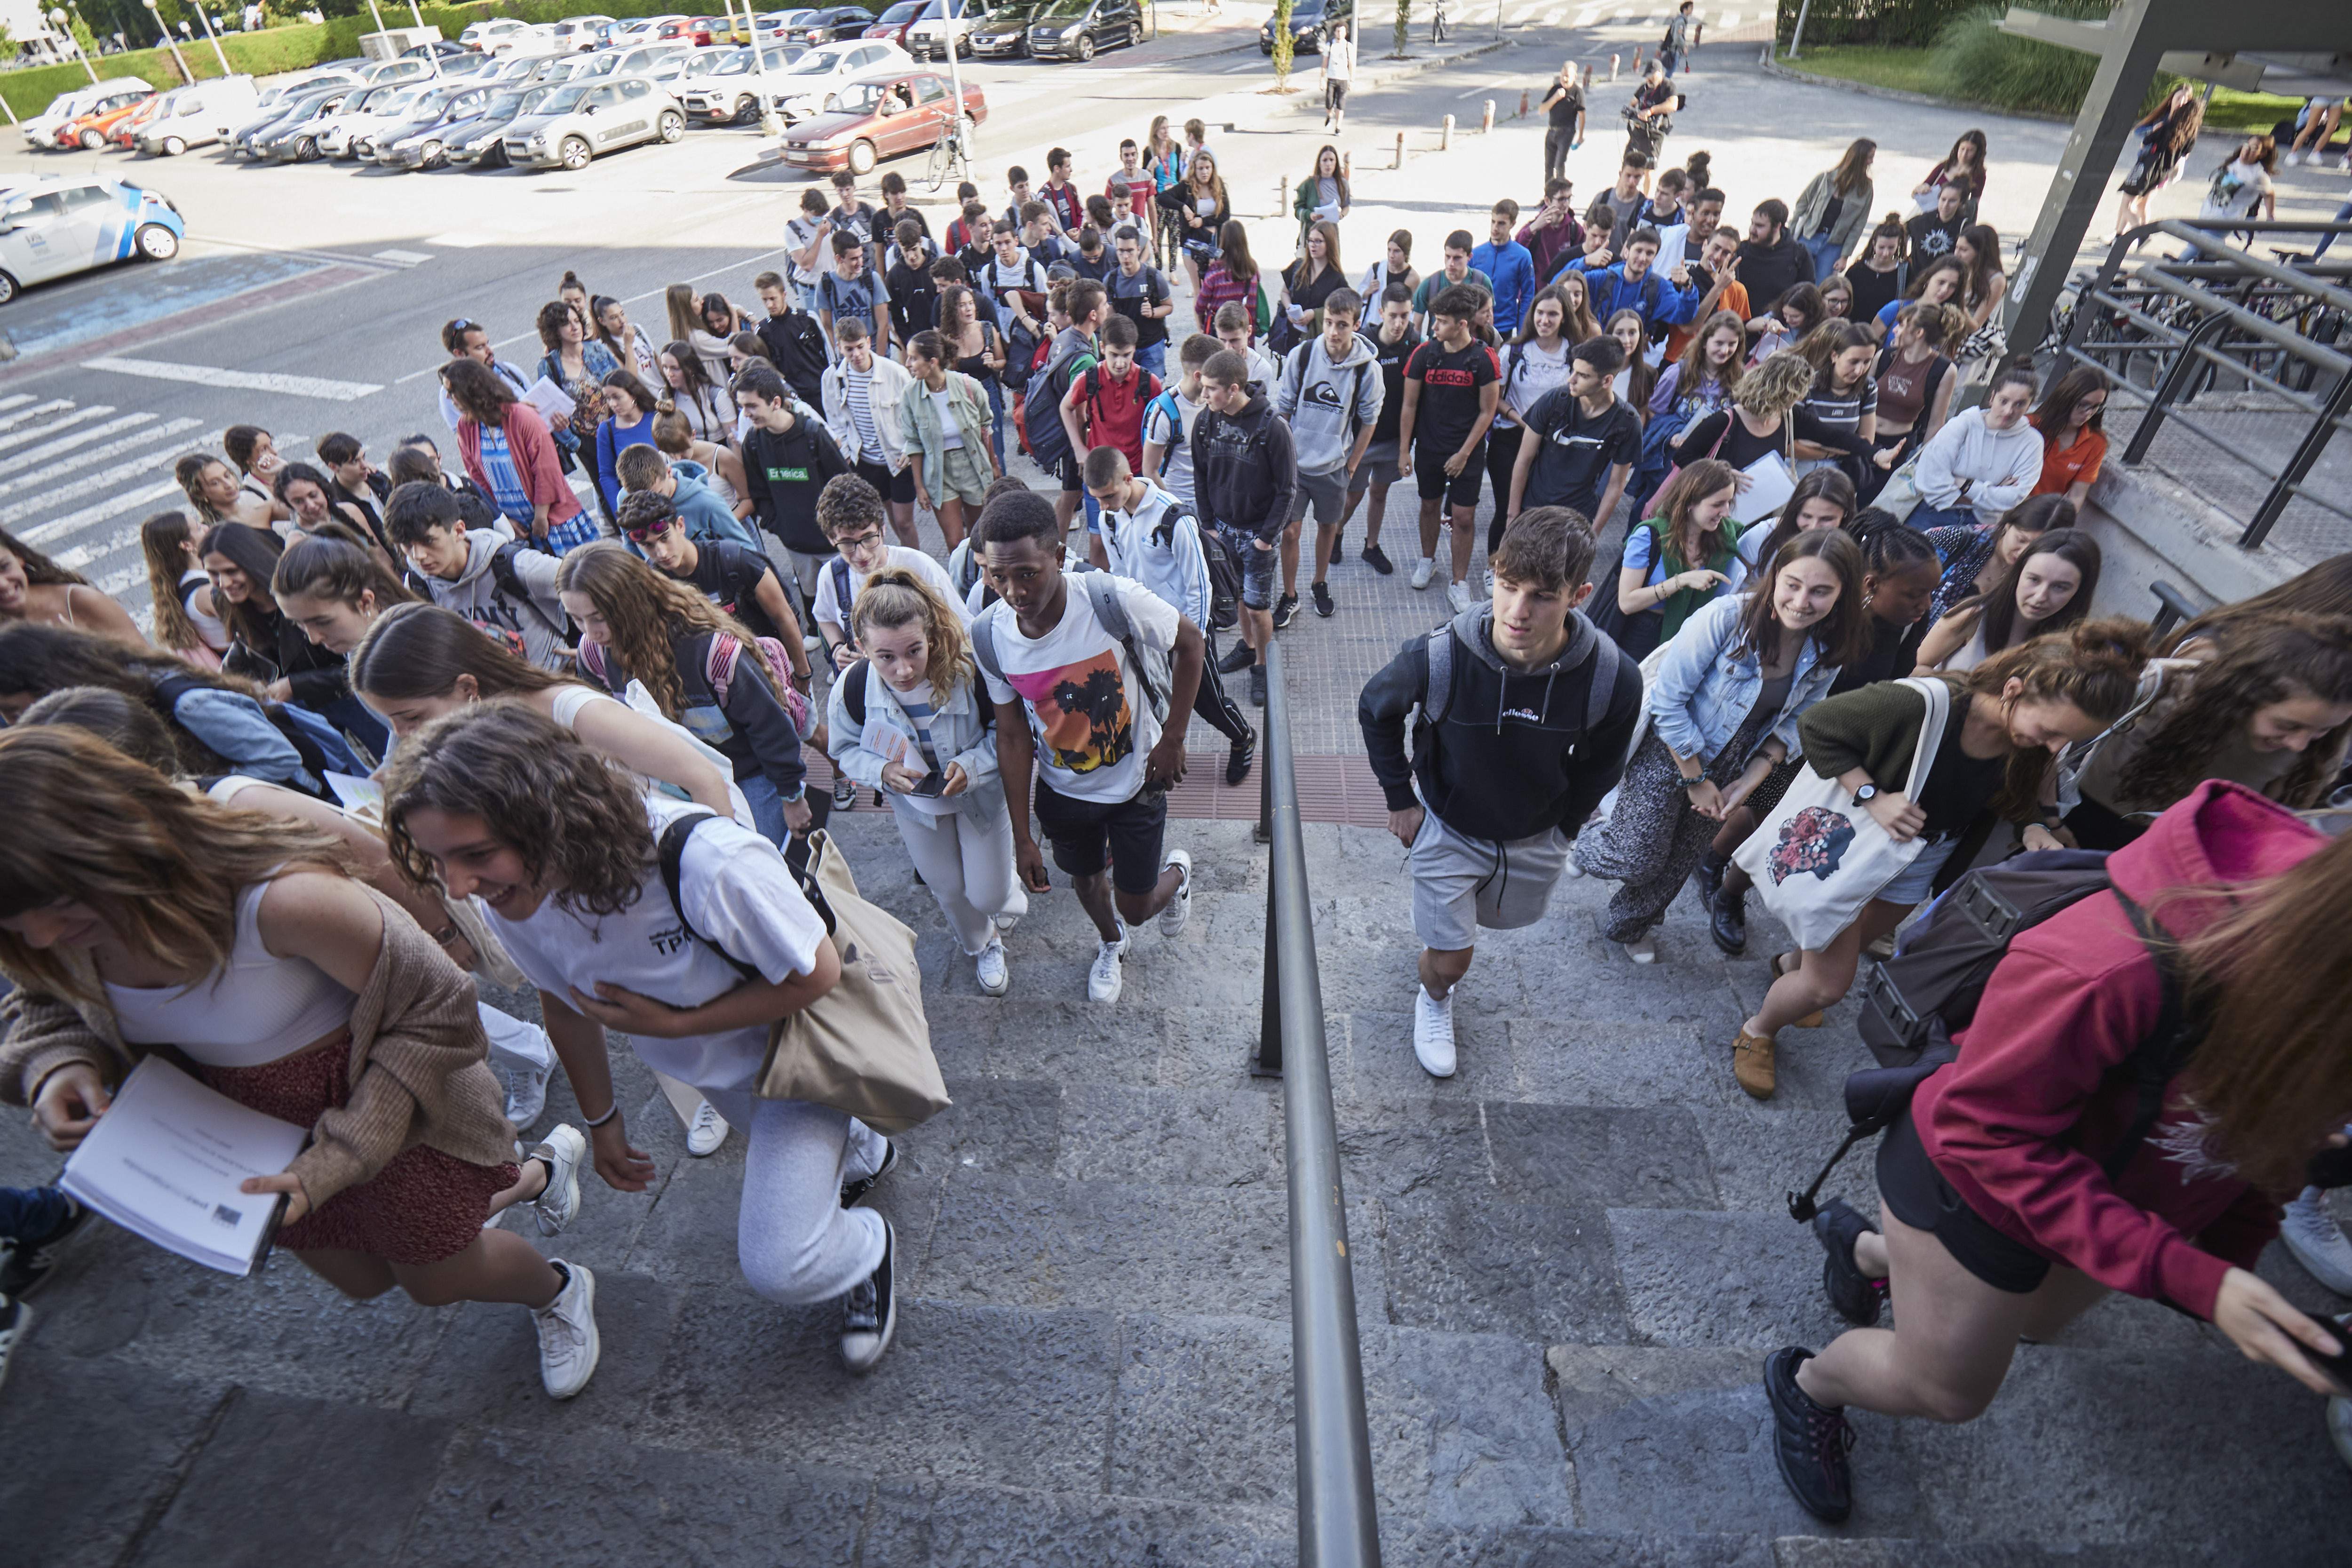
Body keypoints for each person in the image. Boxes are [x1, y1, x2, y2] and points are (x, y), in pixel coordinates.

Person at [1766, 781, 2352, 1524]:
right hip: (1981, 1187)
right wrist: (2190, 1275)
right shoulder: (2120, 961)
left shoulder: (2325, 993)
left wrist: (2228, 1258)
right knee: (1947, 1389)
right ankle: (1810, 1382)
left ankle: (1878, 1255)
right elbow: (1986, 1131)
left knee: (2033, 1323)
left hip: (2106, 1205)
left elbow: (2275, 1138)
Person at [0, 726, 601, 1400]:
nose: (44, 937)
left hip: (385, 1116)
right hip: (252, 1141)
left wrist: (338, 1159)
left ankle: (557, 1288)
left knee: (438, 1278)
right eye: (17, 923)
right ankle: (537, 1173)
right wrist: (55, 1063)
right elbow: (45, 1002)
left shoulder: (282, 898)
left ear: (116, 838)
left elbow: (439, 1012)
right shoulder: (48, 931)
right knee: (366, 1278)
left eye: (59, 906)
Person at [381, 704, 900, 1372]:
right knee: (832, 1161)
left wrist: (673, 1024)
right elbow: (563, 1005)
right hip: (724, 1073)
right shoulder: (511, 895)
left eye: (477, 854)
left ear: (544, 812)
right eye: (437, 859)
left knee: (781, 1266)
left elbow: (818, 972)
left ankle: (866, 1248)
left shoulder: (703, 861)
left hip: (799, 1065)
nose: (459, 887)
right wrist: (602, 1120)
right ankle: (863, 1154)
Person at [1728, 618, 2149, 1098]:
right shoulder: (1922, 702)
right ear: (2013, 689)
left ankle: (1790, 967)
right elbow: (1818, 726)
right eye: (2050, 732)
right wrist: (1870, 794)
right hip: (1862, 849)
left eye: (2064, 741)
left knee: (1833, 950)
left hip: (1920, 860)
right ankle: (1757, 1030)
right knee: (1828, 987)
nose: (2053, 748)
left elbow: (2019, 797)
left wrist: (2034, 825)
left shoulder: (2026, 742)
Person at [1358, 508, 1644, 1076]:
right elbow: (1375, 708)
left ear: (1579, 594)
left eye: (1540, 596)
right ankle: (1434, 998)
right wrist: (1400, 798)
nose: (1516, 611)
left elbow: (1605, 763)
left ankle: (1445, 970)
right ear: (1493, 571)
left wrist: (1565, 828)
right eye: (1507, 586)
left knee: (1501, 922)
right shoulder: (1439, 655)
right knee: (1453, 959)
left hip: (1535, 838)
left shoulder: (1612, 678)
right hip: (1447, 827)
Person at [1579, 530, 1867, 961]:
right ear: (1775, 577)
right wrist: (1694, 777)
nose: (1802, 600)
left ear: (1842, 596)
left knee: (1680, 859)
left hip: (1739, 760)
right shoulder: (1726, 617)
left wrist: (1750, 780)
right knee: (1640, 857)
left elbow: (1795, 724)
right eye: (1793, 584)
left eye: (1821, 591)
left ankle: (1629, 925)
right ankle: (1592, 843)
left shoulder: (1827, 650)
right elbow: (1668, 700)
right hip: (1671, 746)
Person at [970, 489, 1206, 1005]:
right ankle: (1110, 942)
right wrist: (1022, 837)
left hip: (1137, 780)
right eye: (997, 576)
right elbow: (1011, 735)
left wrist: (1173, 739)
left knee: (1138, 904)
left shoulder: (1110, 599)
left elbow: (1192, 644)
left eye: (1026, 573)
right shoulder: (989, 636)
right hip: (1064, 791)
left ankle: (1179, 874)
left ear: (1057, 557)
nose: (1013, 591)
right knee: (1084, 883)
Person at [1699, 510, 1942, 954]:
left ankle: (1722, 876)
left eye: (1929, 593)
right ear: (1870, 587)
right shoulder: (1834, 624)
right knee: (1762, 818)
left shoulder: (1910, 623)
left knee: (1786, 828)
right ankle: (1722, 878)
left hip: (1847, 749)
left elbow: (1901, 681)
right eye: (1913, 594)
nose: (1924, 604)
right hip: (1798, 741)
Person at [827, 567, 1025, 995]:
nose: (903, 670)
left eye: (914, 650)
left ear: (931, 635)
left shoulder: (969, 672)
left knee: (990, 895)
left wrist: (970, 766)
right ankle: (984, 945)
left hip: (978, 797)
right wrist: (880, 772)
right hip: (917, 808)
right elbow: (842, 749)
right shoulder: (852, 688)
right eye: (886, 657)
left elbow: (1010, 735)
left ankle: (1002, 888)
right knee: (949, 889)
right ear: (862, 647)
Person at [557, 542, 814, 846]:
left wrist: (792, 797)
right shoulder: (594, 655)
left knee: (766, 861)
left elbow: (770, 727)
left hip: (746, 775)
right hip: (670, 782)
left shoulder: (712, 651)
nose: (590, 631)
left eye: (599, 617)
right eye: (577, 619)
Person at [2062, 610, 2352, 852]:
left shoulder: (2323, 749)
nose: (2300, 744)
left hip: (2177, 850)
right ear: (2248, 694)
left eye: (2321, 730)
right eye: (2287, 726)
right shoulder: (2169, 686)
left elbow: (2278, 816)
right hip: (2083, 814)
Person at [1085, 446, 1256, 784]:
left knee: (1208, 703)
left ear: (1128, 479)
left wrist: (1197, 642)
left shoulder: (1174, 518)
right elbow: (1119, 573)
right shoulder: (1109, 517)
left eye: (1108, 496)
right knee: (1154, 698)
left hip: (1186, 632)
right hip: (1144, 629)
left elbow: (1200, 586)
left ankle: (1243, 737)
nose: (1103, 506)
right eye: (1097, 499)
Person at [200, 522, 385, 755]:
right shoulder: (225, 600)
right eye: (213, 574)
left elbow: (361, 663)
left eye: (231, 571)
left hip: (349, 696)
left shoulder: (300, 591)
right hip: (307, 709)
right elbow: (245, 645)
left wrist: (296, 685)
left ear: (251, 560)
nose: (224, 583)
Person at [619, 490, 813, 689]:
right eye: (648, 545)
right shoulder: (653, 583)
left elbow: (785, 617)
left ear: (680, 525)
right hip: (721, 685)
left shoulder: (735, 560)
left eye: (665, 538)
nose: (661, 552)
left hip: (772, 668)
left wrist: (803, 675)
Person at [1193, 347, 1298, 707]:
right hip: (1222, 531)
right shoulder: (1206, 421)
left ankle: (1264, 666)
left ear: (1234, 389)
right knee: (1238, 595)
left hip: (1257, 536)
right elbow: (1202, 475)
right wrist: (1209, 526)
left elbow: (1288, 489)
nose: (1203, 396)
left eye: (1211, 389)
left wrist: (1266, 540)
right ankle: (1249, 646)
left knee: (1257, 607)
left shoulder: (1272, 426)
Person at [1272, 287, 1382, 623]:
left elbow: (1370, 421)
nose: (1334, 332)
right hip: (1296, 466)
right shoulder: (1302, 355)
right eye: (1329, 323)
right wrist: (1280, 461)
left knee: (1327, 528)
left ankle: (1319, 583)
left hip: (1334, 468)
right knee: (1289, 532)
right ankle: (1290, 596)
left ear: (1357, 325)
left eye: (1343, 325)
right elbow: (1284, 411)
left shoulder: (1367, 370)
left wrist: (1351, 466)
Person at [385, 481, 570, 673]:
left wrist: (588, 653)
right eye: (407, 545)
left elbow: (593, 579)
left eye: (428, 541)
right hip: (496, 695)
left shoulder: (519, 565)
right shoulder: (418, 585)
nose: (418, 556)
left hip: (551, 680)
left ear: (458, 531)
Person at [1398, 285, 1503, 614]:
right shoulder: (1424, 354)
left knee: (1463, 517)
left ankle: (1459, 582)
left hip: (1466, 453)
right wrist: (1405, 451)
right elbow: (1409, 405)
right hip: (1429, 448)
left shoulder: (1483, 359)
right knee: (1429, 506)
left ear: (1462, 324)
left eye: (1441, 321)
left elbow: (1488, 411)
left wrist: (1464, 454)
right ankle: (1427, 560)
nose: (1434, 327)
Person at [736, 363, 854, 621]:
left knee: (850, 598)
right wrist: (780, 526)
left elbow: (847, 487)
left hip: (834, 543)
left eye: (751, 406)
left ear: (776, 402)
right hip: (796, 544)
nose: (746, 415)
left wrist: (840, 530)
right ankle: (816, 633)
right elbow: (759, 493)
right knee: (813, 597)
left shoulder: (814, 435)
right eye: (742, 407)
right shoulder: (754, 444)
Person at [441, 359, 591, 555]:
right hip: (516, 530)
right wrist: (504, 520)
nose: (448, 397)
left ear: (473, 390)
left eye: (453, 392)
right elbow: (477, 477)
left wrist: (540, 517)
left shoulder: (522, 417)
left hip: (553, 521)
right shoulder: (466, 427)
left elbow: (546, 470)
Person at [1509, 333, 1640, 542]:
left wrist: (1593, 534)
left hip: (1577, 520)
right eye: (1573, 370)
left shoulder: (1627, 422)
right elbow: (1523, 459)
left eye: (1583, 375)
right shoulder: (1554, 401)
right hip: (1533, 511)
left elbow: (1616, 485)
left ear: (1607, 381)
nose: (1572, 379)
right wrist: (1512, 517)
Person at [1915, 528, 2100, 673]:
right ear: (2019, 573)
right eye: (2034, 580)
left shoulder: (2072, 649)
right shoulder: (1972, 615)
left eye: (2060, 587)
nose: (2040, 597)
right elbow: (1916, 667)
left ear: (2080, 591)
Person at [1334, 287, 1420, 578]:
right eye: (1393, 316)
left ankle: (1371, 546)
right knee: (1353, 496)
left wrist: (1406, 447)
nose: (1399, 323)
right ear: (1381, 313)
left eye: (1405, 316)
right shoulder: (1364, 343)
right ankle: (1335, 533)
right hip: (1361, 440)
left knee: (1380, 493)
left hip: (1394, 439)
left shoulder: (1413, 343)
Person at [899, 330, 1002, 552]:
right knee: (956, 543)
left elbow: (986, 427)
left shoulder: (969, 386)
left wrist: (993, 465)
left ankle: (982, 582)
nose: (908, 363)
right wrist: (920, 486)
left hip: (973, 466)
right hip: (939, 472)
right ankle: (961, 584)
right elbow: (913, 443)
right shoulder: (910, 395)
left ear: (933, 362)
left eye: (914, 358)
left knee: (980, 539)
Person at [819, 318, 918, 548]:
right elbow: (834, 420)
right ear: (839, 347)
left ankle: (916, 569)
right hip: (865, 462)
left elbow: (915, 416)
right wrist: (845, 451)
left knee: (905, 522)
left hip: (898, 460)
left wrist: (909, 448)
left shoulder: (895, 372)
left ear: (868, 341)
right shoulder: (832, 377)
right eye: (849, 349)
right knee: (887, 518)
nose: (856, 354)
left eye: (860, 347)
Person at [1060, 315, 1162, 534]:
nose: (1120, 363)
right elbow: (1065, 407)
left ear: (1135, 350)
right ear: (1103, 347)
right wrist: (1079, 447)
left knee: (1140, 535)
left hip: (1136, 474)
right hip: (1099, 472)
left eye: (1127, 355)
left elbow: (1161, 423)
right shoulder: (1090, 378)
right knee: (1099, 538)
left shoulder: (1149, 383)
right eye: (1114, 355)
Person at [1910, 364, 2044, 529]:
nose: (2009, 411)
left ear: (2029, 406)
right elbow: (1929, 477)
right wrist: (1990, 495)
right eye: (2004, 401)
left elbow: (2014, 498)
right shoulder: (1964, 423)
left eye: (2020, 404)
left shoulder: (2032, 443)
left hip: (1980, 524)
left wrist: (1965, 484)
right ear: (1993, 397)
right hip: (1932, 512)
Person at [1920, 492, 2074, 632]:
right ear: (2008, 526)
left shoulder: (2043, 577)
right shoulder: (1958, 539)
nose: (2022, 552)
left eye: (2036, 548)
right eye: (2021, 540)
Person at [0, 525, 145, 650]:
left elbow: (152, 668)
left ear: (18, 558)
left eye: (4, 567)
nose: (3, 584)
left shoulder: (81, 601)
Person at [614, 443, 761, 557]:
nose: (651, 505)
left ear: (669, 472)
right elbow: (631, 546)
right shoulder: (626, 499)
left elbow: (746, 551)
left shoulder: (707, 502)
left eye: (658, 494)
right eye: (640, 499)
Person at [1869, 302, 1962, 480]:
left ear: (1919, 333)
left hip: (1898, 447)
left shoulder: (1944, 370)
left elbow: (1936, 423)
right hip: (1865, 439)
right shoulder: (1884, 357)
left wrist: (1922, 463)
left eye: (1901, 326)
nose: (1895, 330)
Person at [1563, 226, 1700, 341]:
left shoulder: (1659, 288)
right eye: (1639, 251)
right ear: (1627, 252)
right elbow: (1560, 286)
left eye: (1649, 253)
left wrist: (1688, 286)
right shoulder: (1601, 278)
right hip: (1596, 348)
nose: (1642, 258)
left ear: (1654, 258)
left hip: (1631, 357)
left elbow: (1683, 316)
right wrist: (1585, 261)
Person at [138, 510, 231, 668]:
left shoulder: (179, 587)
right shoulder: (205, 594)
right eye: (199, 528)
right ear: (187, 545)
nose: (206, 528)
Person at [1141, 332, 1216, 517]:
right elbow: (1150, 470)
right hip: (1181, 502)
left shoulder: (1213, 400)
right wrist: (1174, 508)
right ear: (1199, 376)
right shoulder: (1165, 412)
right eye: (1216, 375)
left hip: (1212, 498)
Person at [2114, 84, 2205, 236]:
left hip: (2149, 167)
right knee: (2135, 203)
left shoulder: (2176, 126)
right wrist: (2154, 129)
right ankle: (2120, 235)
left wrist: (2155, 135)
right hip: (2158, 169)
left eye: (2185, 100)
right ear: (2171, 100)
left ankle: (2137, 234)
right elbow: (2139, 132)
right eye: (2179, 98)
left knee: (2134, 204)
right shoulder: (2170, 122)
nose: (2181, 102)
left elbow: (2146, 142)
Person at [1793, 139, 1876, 284]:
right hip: (1809, 237)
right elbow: (1802, 204)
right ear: (1859, 158)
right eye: (1870, 157)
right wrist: (1791, 237)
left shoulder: (1866, 189)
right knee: (1797, 283)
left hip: (1833, 245)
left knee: (1821, 288)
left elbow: (1859, 225)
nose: (1871, 162)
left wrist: (1845, 256)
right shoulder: (1825, 179)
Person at [437, 318, 536, 436]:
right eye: (480, 347)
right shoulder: (452, 394)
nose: (490, 351)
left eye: (487, 344)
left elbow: (537, 408)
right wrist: (517, 414)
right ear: (459, 354)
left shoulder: (509, 371)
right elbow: (470, 442)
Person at [2026, 365, 2108, 505]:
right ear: (2066, 397)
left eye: (2096, 407)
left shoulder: (2096, 442)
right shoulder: (2030, 425)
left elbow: (2077, 496)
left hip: (2042, 517)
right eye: (2083, 404)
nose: (2089, 413)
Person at [1107, 225, 1176, 382]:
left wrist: (1153, 312)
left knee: (1154, 393)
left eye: (1130, 251)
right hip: (1124, 350)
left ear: (1138, 249)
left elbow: (1169, 307)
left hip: (1151, 346)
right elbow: (1109, 318)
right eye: (1121, 251)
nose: (1126, 257)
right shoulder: (1111, 280)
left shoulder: (1154, 277)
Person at [1279, 217, 1349, 348]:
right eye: (1310, 241)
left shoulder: (1336, 277)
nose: (1312, 245)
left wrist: (1315, 314)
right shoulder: (1298, 267)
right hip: (1292, 334)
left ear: (1329, 244)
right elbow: (1285, 292)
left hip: (1318, 339)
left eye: (1318, 241)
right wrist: (1289, 309)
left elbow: (1343, 308)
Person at [1195, 220, 1265, 342]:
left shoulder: (1216, 271)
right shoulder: (1252, 267)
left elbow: (1200, 306)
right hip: (1244, 334)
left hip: (1221, 336)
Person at [1410, 232, 1493, 335]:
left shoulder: (1482, 282)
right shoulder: (1430, 284)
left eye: (1457, 258)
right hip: (1438, 347)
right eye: (1448, 257)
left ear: (1469, 257)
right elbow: (1416, 326)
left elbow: (1489, 321)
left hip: (1473, 346)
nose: (1451, 263)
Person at [1170, 149, 1230, 292]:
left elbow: (1225, 214)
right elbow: (1163, 198)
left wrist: (1202, 221)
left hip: (1214, 242)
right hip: (1192, 242)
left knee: (1215, 288)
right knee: (1199, 290)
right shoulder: (1187, 187)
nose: (1205, 172)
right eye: (1201, 168)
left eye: (1208, 168)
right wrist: (1183, 207)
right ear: (1194, 169)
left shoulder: (1218, 184)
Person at [174, 450, 275, 531]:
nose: (229, 485)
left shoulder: (251, 497)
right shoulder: (216, 533)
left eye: (227, 476)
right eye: (215, 483)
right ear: (200, 493)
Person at [2199, 136, 2278, 231]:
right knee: (2195, 243)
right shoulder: (2234, 162)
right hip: (2206, 214)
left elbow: (2269, 194)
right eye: (2247, 145)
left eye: (2254, 148)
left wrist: (2270, 217)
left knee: (2205, 243)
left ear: (2262, 154)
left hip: (2226, 221)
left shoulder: (2258, 175)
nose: (2247, 150)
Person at [1843, 217, 1910, 330]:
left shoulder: (1905, 272)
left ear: (1898, 245)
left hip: (1886, 332)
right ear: (1874, 244)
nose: (1886, 253)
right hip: (1853, 330)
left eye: (1891, 248)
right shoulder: (1856, 270)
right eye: (1882, 247)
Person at [1912, 129, 1988, 225]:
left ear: (1978, 153)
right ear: (1958, 147)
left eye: (1970, 151)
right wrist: (1922, 189)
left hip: (1953, 219)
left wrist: (1970, 227)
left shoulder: (1978, 174)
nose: (1964, 154)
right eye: (1963, 149)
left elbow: (1974, 203)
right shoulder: (1945, 166)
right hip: (1930, 214)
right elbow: (1925, 184)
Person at [222, 425, 294, 526]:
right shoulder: (248, 498)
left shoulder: (283, 476)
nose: (274, 452)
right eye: (264, 449)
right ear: (248, 460)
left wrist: (286, 470)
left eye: (271, 445)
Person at [592, 294, 664, 385]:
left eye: (622, 314)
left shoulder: (637, 329)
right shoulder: (603, 347)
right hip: (646, 397)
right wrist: (628, 345)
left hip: (663, 390)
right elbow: (629, 380)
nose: (622, 321)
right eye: (614, 318)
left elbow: (656, 358)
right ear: (602, 321)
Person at [1622, 58, 1676, 167]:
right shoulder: (1644, 87)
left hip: (1654, 133)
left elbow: (1673, 105)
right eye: (1647, 76)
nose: (1649, 79)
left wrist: (1651, 111)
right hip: (1639, 131)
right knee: (1627, 164)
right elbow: (1632, 103)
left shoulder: (1668, 86)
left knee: (1647, 170)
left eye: (1652, 76)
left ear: (1660, 73)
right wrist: (1633, 115)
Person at [1540, 62, 1585, 183]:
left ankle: (1561, 193)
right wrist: (1555, 98)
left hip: (1567, 132)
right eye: (1563, 76)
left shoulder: (1577, 92)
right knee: (1548, 166)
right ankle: (1548, 196)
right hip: (1551, 131)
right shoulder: (1555, 89)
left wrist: (1580, 136)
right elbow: (1542, 110)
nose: (1564, 79)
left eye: (1568, 76)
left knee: (1559, 164)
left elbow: (1582, 116)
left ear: (1574, 77)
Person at [1320, 20, 1355, 134]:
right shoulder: (1330, 46)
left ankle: (1338, 127)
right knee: (1329, 103)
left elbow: (1351, 64)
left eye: (1342, 32)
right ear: (1335, 32)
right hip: (1331, 78)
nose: (1340, 34)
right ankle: (1329, 115)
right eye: (1338, 31)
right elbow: (1325, 63)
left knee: (1341, 104)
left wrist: (1351, 80)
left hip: (1343, 79)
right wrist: (1322, 79)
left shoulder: (1348, 46)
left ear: (1346, 33)